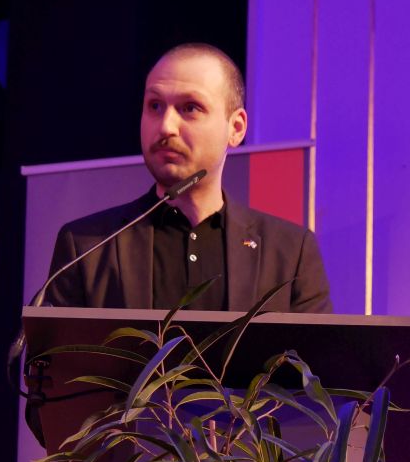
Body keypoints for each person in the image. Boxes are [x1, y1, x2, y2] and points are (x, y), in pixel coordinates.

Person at [43, 42, 332, 313]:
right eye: (155, 106)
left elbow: (315, 352)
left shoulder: (291, 253)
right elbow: (56, 351)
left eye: (190, 108)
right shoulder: (86, 246)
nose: (166, 126)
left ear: (236, 128)